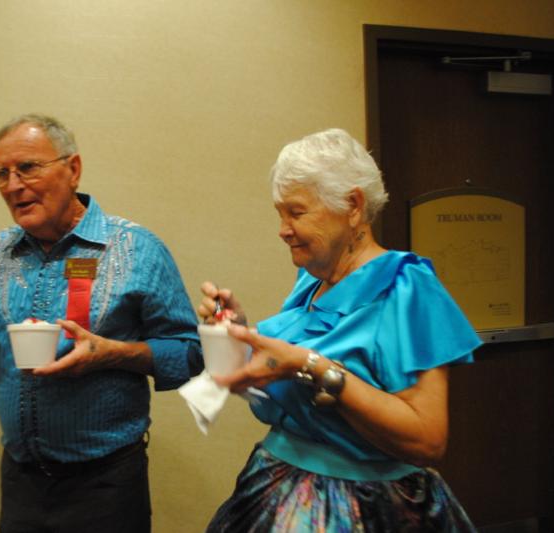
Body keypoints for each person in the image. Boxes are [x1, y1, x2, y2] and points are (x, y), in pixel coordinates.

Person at [0, 114, 202, 533]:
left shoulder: (135, 248)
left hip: (106, 485)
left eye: (28, 168)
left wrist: (113, 354)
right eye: (3, 174)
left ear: (73, 169)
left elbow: (190, 353)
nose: (13, 185)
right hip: (20, 482)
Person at [198, 128, 481, 532]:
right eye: (280, 213)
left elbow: (428, 441)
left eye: (296, 213)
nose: (282, 229)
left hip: (364, 507)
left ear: (352, 205)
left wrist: (312, 366)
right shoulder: (312, 282)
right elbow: (283, 387)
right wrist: (237, 335)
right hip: (274, 485)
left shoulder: (408, 288)